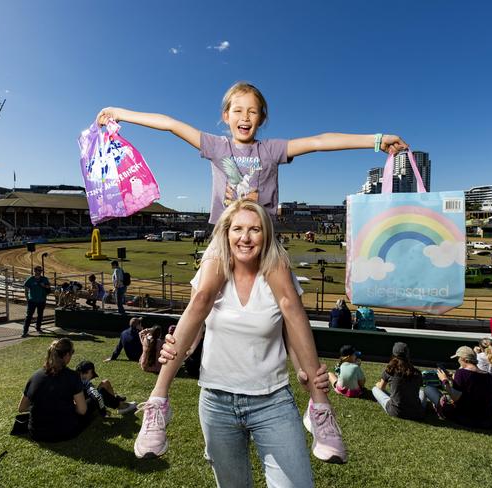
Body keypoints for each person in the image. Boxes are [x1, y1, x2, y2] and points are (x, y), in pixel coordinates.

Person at [98, 81, 404, 463]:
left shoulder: (271, 150)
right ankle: (159, 401)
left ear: (262, 118)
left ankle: (321, 409)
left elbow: (321, 141)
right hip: (226, 238)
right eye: (237, 110)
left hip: (265, 241)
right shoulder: (215, 146)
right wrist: (120, 113)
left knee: (290, 303)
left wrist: (377, 140)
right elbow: (168, 124)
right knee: (202, 298)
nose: (245, 117)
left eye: (252, 111)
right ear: (225, 117)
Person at [135, 199, 341, 488]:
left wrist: (308, 375)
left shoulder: (277, 272)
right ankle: (158, 404)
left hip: (272, 401)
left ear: (266, 234)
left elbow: (291, 327)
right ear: (227, 232)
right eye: (238, 229)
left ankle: (320, 412)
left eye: (254, 229)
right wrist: (180, 346)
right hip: (216, 402)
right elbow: (197, 316)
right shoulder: (211, 271)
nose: (245, 237)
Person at [18, 338, 88, 442]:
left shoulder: (35, 376)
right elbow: (82, 411)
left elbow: (21, 408)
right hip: (65, 432)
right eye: (72, 352)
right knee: (91, 403)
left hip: (36, 433)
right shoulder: (73, 377)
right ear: (67, 355)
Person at [425, 346, 492, 428]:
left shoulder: (461, 373)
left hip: (465, 417)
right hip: (486, 419)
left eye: (459, 358)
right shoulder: (488, 376)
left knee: (429, 389)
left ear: (464, 359)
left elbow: (455, 397)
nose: (458, 361)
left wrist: (444, 380)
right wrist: (453, 379)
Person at [371, 342, 426, 420]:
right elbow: (416, 389)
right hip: (417, 413)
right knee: (422, 392)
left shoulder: (390, 369)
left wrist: (377, 384)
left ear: (394, 354)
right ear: (407, 355)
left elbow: (381, 388)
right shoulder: (417, 372)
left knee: (375, 389)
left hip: (396, 411)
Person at [22, 266, 51, 337]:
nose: (40, 272)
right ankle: (25, 331)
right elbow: (26, 288)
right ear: (35, 271)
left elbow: (49, 288)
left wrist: (44, 286)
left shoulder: (44, 279)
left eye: (41, 271)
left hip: (42, 300)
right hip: (32, 300)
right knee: (29, 316)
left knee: (40, 315)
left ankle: (38, 328)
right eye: (38, 270)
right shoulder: (30, 279)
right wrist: (27, 298)